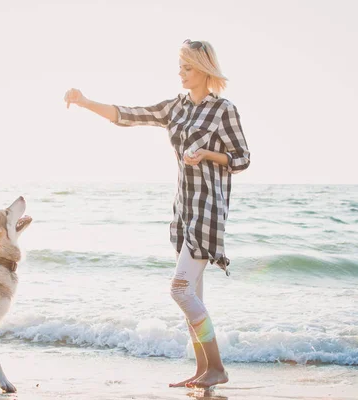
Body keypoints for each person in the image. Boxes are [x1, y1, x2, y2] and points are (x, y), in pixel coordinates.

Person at [64, 39, 250, 389]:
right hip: (183, 211)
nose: (181, 73)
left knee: (180, 290)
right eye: (180, 66)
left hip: (208, 210)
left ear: (204, 68)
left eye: (187, 67)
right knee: (194, 293)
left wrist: (208, 154)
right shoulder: (176, 108)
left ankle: (218, 367)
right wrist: (86, 102)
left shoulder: (223, 110)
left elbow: (242, 158)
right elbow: (129, 115)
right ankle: (203, 372)